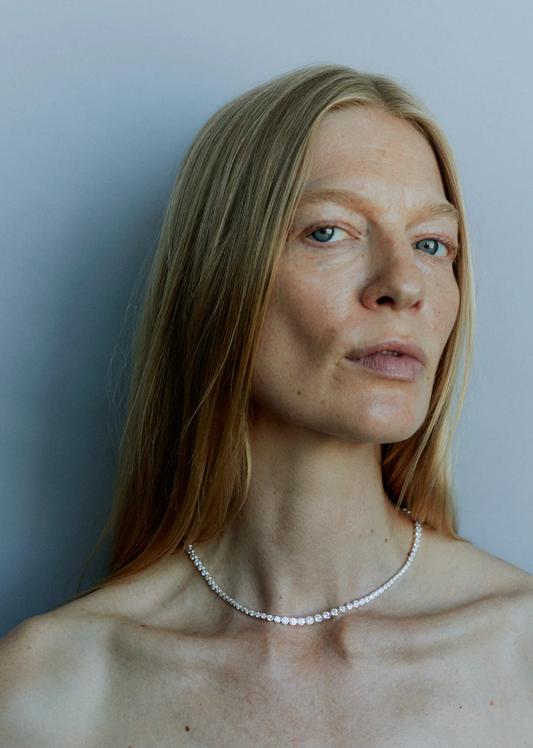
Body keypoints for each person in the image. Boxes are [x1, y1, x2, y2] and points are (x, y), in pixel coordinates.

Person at [1, 64, 532, 746]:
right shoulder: (47, 691)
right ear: (220, 275)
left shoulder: (519, 655)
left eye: (431, 244)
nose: (404, 284)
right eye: (329, 232)